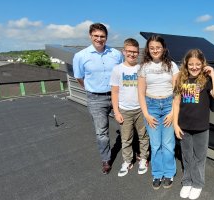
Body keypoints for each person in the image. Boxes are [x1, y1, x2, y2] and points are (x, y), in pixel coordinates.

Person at [73, 23, 123, 175]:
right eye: (96, 36)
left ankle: (131, 155)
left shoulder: (116, 54)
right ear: (90, 36)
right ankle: (106, 160)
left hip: (117, 95)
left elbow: (122, 73)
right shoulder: (80, 56)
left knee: (126, 124)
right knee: (102, 131)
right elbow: (79, 78)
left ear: (106, 37)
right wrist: (92, 89)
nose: (99, 39)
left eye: (102, 36)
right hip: (96, 98)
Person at [173, 49, 214, 200]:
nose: (194, 67)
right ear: (186, 65)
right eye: (191, 64)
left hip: (201, 128)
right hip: (184, 127)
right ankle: (187, 181)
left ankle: (198, 184)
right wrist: (175, 124)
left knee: (199, 158)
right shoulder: (181, 79)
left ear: (203, 65)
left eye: (198, 64)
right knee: (187, 156)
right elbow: (176, 103)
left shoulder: (206, 80)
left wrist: (213, 75)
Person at [137, 35, 179, 189]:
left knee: (168, 144)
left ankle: (168, 173)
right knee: (155, 144)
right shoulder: (144, 68)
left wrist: (173, 112)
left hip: (168, 105)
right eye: (152, 47)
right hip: (151, 107)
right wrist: (146, 114)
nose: (155, 50)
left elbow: (177, 91)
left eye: (158, 47)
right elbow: (141, 93)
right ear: (148, 49)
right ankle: (157, 173)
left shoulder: (172, 66)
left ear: (163, 48)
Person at [110, 38, 149, 177]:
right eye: (129, 51)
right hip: (124, 110)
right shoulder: (117, 69)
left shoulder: (141, 68)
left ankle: (143, 159)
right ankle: (127, 161)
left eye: (135, 52)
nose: (132, 54)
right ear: (124, 51)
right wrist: (116, 111)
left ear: (138, 53)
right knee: (126, 138)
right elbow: (114, 92)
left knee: (143, 136)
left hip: (141, 109)